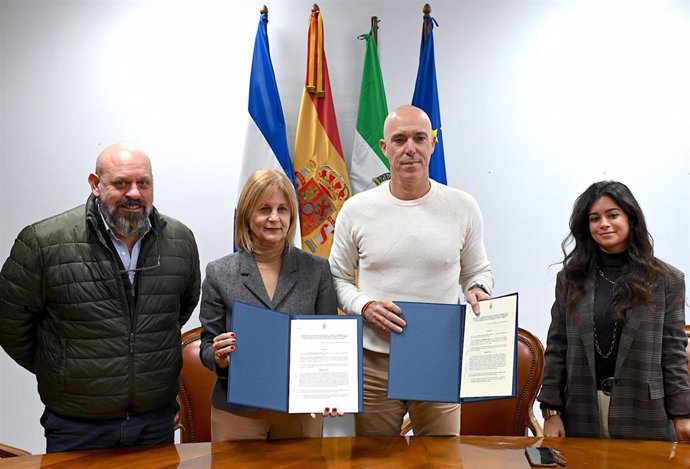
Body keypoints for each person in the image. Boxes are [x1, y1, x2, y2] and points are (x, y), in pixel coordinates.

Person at [0, 143, 201, 452]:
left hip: (155, 422)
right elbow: (9, 323)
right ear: (96, 184)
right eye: (121, 183)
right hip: (77, 426)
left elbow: (179, 309)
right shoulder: (43, 242)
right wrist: (63, 366)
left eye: (143, 183)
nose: (134, 193)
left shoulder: (180, 240)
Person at [328, 105, 494, 436]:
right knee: (376, 461)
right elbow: (337, 278)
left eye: (419, 138)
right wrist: (365, 306)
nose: (410, 149)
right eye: (399, 139)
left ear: (433, 144)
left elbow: (478, 271)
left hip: (437, 357)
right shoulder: (356, 209)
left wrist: (478, 289)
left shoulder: (462, 206)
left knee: (442, 458)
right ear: (384, 148)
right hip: (374, 361)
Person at [538, 180, 690, 441]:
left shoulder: (667, 279)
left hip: (645, 411)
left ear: (631, 218)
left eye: (613, 215)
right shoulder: (571, 279)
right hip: (581, 410)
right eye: (594, 218)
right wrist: (551, 412)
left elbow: (673, 351)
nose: (604, 224)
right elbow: (557, 347)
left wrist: (683, 414)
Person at [199, 169, 339, 441]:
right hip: (237, 412)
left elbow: (328, 342)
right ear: (247, 216)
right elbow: (207, 346)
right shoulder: (219, 272)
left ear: (291, 217)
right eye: (264, 209)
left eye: (282, 209)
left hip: (300, 412)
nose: (274, 218)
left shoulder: (318, 270)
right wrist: (218, 356)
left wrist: (330, 392)